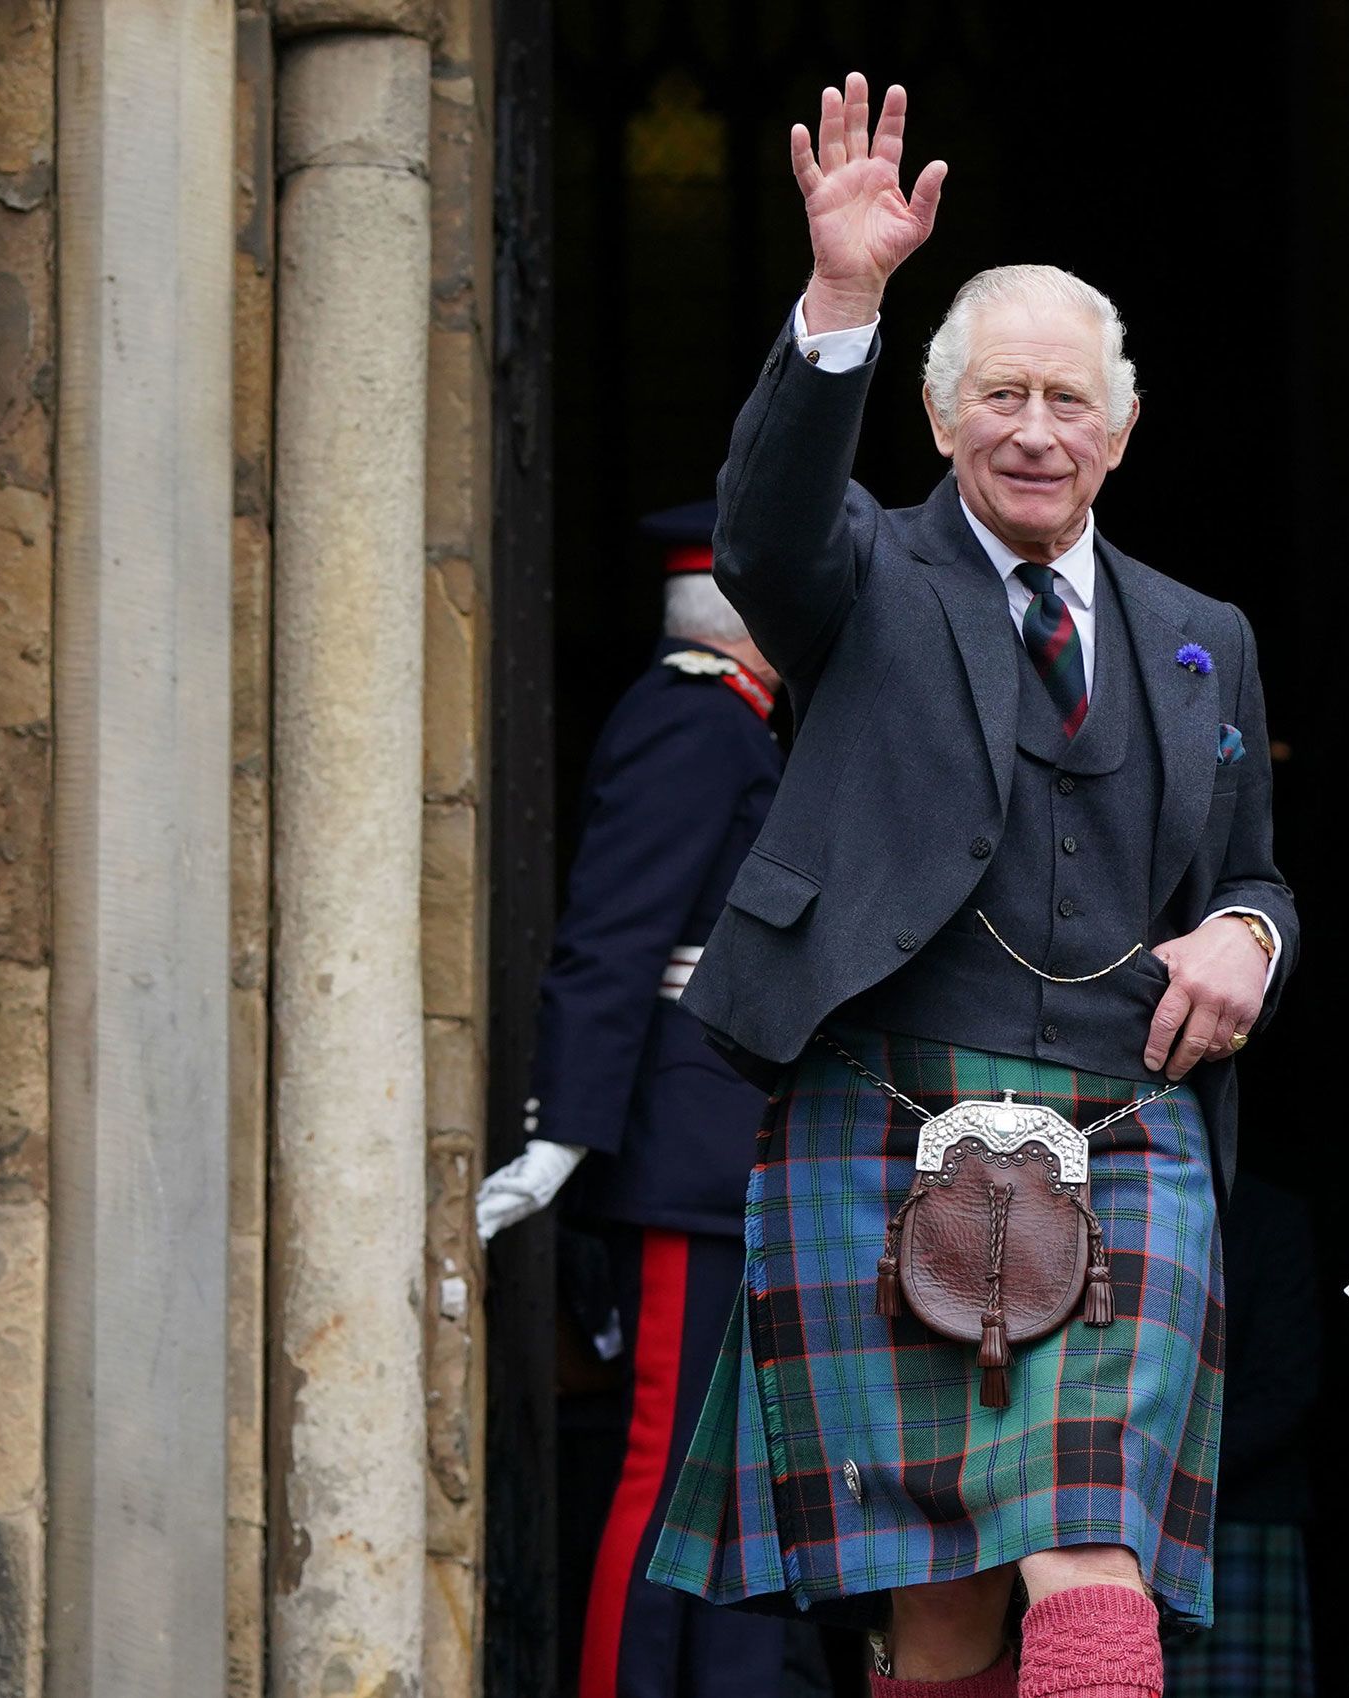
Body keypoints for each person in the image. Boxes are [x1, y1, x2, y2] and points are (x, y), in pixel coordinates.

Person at [643, 75, 1298, 1698]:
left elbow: (1254, 873)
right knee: (939, 1611)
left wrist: (1250, 929)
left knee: (1091, 1552)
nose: (1034, 427)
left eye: (1069, 400)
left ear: (1123, 430)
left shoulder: (1204, 633)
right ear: (940, 419)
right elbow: (764, 527)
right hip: (888, 1104)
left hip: (1123, 1127)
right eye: (998, 394)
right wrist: (843, 296)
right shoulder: (863, 576)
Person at [474, 502, 790, 1698]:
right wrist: (566, 1133)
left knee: (747, 1478)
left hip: (731, 1150)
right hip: (682, 1151)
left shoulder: (736, 727)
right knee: (670, 1465)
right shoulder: (693, 723)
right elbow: (613, 937)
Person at [1162, 1175, 1321, 1698]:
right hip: (1129, 1512)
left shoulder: (1271, 1219)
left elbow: (1285, 1387)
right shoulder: (1119, 1203)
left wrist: (1165, 1474)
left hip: (1245, 1516)